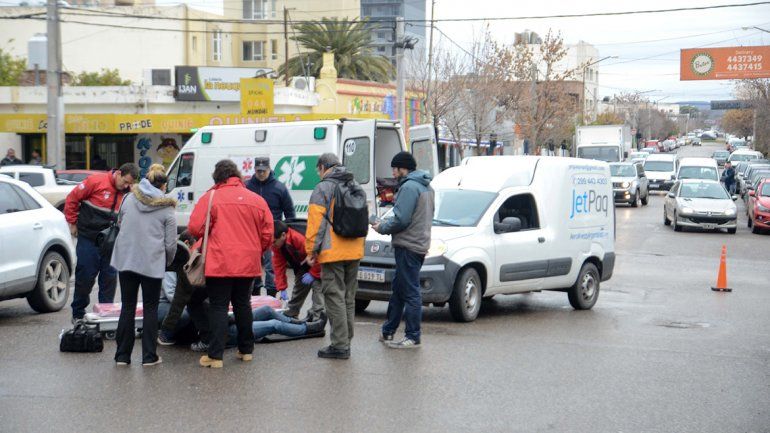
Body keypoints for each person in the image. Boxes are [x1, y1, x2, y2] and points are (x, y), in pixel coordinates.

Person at [188, 159, 273, 369]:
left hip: (220, 262)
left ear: (217, 178)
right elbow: (268, 234)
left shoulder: (211, 197)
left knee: (218, 306)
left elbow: (195, 228)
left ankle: (215, 356)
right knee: (243, 304)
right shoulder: (257, 199)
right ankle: (246, 350)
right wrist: (256, 250)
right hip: (248, 262)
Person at [110, 164, 177, 366]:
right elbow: (171, 244)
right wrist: (167, 261)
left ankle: (122, 356)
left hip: (126, 259)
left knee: (127, 307)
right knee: (150, 308)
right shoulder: (167, 208)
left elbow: (120, 223)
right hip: (152, 262)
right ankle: (149, 356)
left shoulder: (129, 198)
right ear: (163, 186)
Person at [305, 153, 365, 360]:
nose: (318, 174)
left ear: (323, 167)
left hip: (333, 252)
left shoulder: (323, 188)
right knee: (348, 297)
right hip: (355, 249)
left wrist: (311, 250)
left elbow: (315, 224)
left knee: (334, 297)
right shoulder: (355, 184)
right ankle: (346, 340)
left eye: (318, 170)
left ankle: (340, 345)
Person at [372, 152, 434, 349]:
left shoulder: (408, 187)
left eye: (395, 168)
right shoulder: (427, 186)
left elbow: (401, 219)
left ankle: (413, 336)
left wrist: (381, 227)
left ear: (403, 168)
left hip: (408, 245)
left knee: (410, 292)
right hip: (419, 243)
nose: (393, 172)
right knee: (399, 289)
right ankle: (388, 330)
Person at [65, 163, 139, 322]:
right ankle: (78, 314)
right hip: (89, 238)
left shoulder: (129, 193)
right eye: (125, 181)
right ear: (118, 173)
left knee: (109, 280)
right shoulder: (96, 181)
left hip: (111, 242)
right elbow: (72, 198)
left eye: (130, 184)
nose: (126, 186)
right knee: (85, 277)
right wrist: (72, 222)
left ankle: (106, 316)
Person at [246, 157, 296, 298]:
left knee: (272, 267)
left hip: (272, 235)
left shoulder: (279, 188)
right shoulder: (247, 186)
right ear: (254, 170)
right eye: (259, 171)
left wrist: (287, 232)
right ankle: (254, 295)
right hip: (251, 234)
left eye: (264, 171)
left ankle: (271, 295)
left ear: (269, 169)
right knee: (252, 266)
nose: (261, 173)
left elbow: (290, 212)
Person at [157, 232, 211, 352]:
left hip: (180, 304)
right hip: (164, 304)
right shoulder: (176, 260)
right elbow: (172, 294)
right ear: (187, 244)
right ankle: (164, 334)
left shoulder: (191, 261)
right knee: (186, 314)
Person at [272, 220, 324, 321]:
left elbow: (319, 256)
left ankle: (317, 319)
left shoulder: (298, 238)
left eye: (274, 242)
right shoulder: (277, 245)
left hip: (318, 262)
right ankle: (291, 314)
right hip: (304, 263)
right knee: (299, 287)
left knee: (318, 289)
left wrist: (313, 274)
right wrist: (282, 288)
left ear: (283, 235)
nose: (273, 245)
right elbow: (278, 267)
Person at [226, 306, 327, 345]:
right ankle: (309, 328)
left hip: (228, 321)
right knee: (274, 324)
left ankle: (297, 322)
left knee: (267, 310)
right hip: (227, 332)